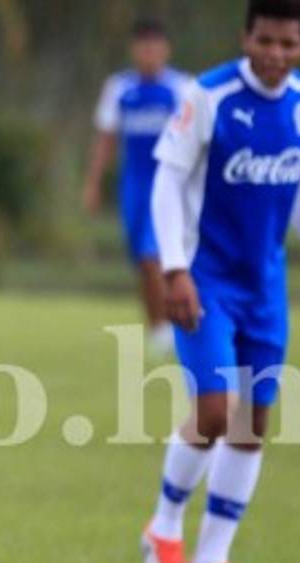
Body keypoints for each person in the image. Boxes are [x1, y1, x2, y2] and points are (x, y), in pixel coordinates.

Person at [140, 0, 300, 563]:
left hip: (265, 285)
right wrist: (174, 268)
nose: (276, 54)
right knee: (214, 411)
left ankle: (212, 560)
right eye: (265, 41)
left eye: (288, 44)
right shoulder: (210, 95)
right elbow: (167, 180)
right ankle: (164, 529)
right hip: (205, 278)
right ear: (246, 39)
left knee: (252, 422)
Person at [84, 17, 192, 358]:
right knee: (143, 263)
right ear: (134, 50)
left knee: (154, 257)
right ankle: (157, 326)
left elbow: (199, 140)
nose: (149, 53)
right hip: (134, 186)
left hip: (170, 186)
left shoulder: (182, 88)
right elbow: (106, 138)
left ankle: (168, 329)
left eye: (154, 47)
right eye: (143, 47)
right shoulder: (119, 88)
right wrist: (93, 183)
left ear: (166, 49)